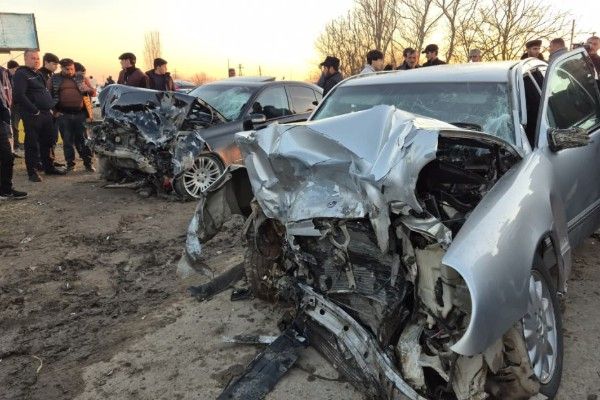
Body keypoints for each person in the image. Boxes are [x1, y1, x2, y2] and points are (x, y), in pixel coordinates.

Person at [13, 50, 65, 182]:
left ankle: (49, 167)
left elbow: (44, 92)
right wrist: (34, 110)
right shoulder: (21, 74)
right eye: (32, 58)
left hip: (46, 113)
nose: (36, 61)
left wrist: (51, 109)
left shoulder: (38, 74)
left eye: (37, 58)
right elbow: (19, 95)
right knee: (32, 144)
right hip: (32, 115)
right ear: (25, 59)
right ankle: (33, 172)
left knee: (47, 142)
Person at [48, 58, 96, 172]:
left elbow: (93, 92)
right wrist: (55, 112)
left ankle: (88, 163)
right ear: (61, 68)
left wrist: (88, 89)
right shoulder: (54, 79)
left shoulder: (82, 78)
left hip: (80, 114)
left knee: (84, 140)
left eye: (71, 69)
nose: (70, 71)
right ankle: (70, 164)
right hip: (64, 115)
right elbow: (48, 96)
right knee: (67, 141)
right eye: (67, 69)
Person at [0, 66, 26, 199]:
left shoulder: (2, 72)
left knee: (7, 156)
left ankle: (5, 190)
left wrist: (5, 116)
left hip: (2, 121)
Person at [37, 53, 64, 168]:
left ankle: (50, 159)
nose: (56, 67)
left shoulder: (51, 75)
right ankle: (41, 162)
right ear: (46, 62)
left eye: (57, 64)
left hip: (53, 111)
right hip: (44, 111)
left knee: (52, 137)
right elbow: (43, 95)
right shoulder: (39, 75)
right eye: (54, 64)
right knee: (43, 139)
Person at [7, 60, 21, 152]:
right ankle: (14, 146)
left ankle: (16, 146)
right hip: (10, 105)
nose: (17, 71)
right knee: (13, 126)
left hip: (16, 105)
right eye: (16, 69)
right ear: (11, 68)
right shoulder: (5, 77)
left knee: (14, 126)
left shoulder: (15, 78)